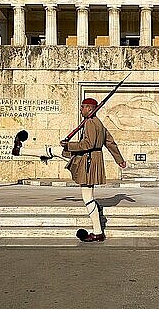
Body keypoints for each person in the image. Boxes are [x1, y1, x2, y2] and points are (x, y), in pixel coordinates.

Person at [61, 97, 126, 242]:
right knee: (88, 195)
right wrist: (119, 160)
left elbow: (87, 144)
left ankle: (97, 231)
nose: (81, 109)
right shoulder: (99, 123)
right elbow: (110, 142)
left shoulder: (90, 122)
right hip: (95, 159)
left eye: (83, 107)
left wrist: (68, 146)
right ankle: (97, 231)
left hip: (89, 160)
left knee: (87, 197)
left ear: (90, 108)